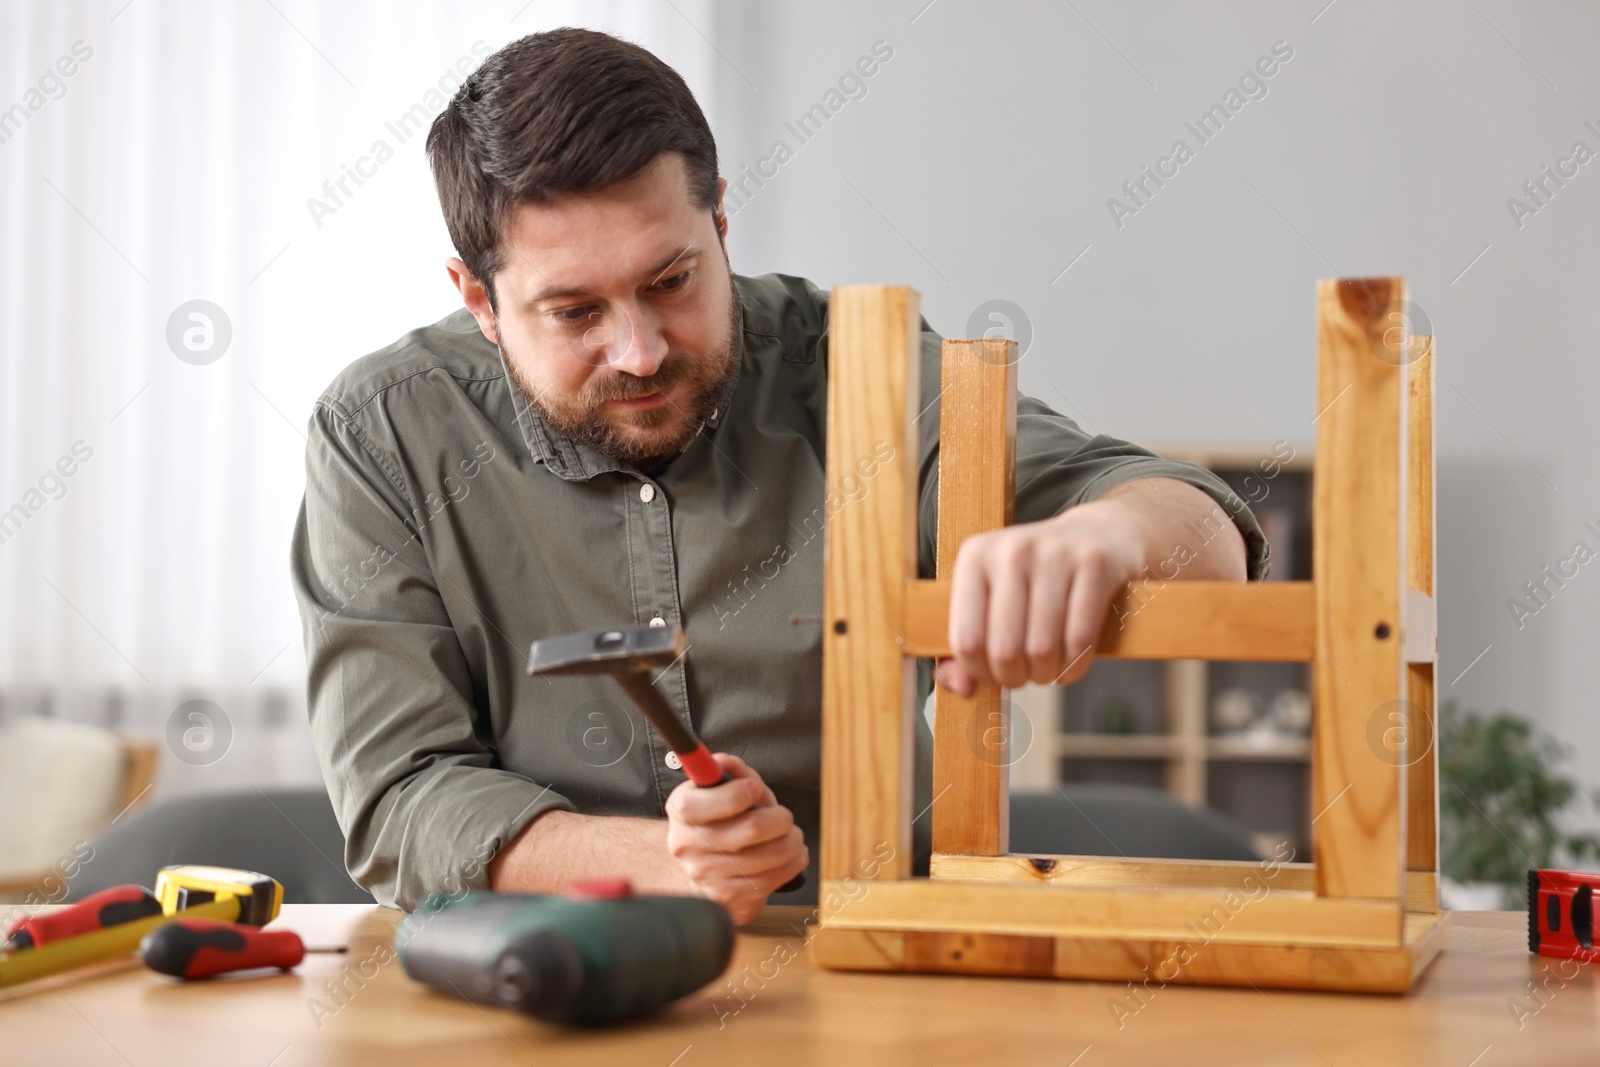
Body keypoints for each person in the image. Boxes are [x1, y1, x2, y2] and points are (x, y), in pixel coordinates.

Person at [290, 27, 1268, 923]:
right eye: (575, 311)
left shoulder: (859, 366)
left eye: (670, 281)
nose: (636, 350)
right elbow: (400, 795)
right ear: (480, 298)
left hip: (881, 977)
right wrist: (668, 859)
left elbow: (1204, 537)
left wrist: (1106, 535)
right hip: (544, 974)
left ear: (719, 221)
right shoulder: (381, 433)